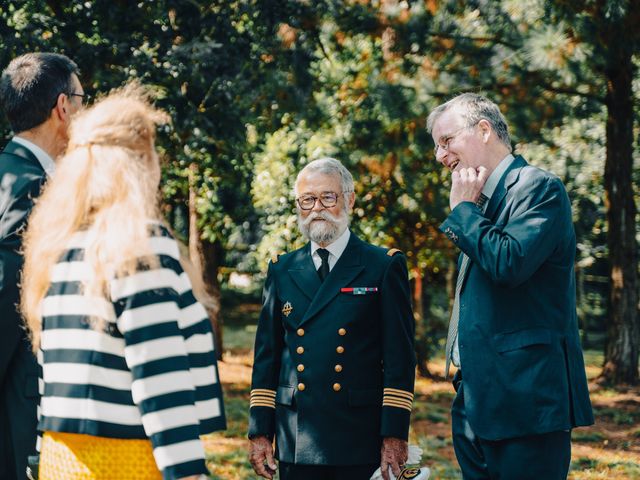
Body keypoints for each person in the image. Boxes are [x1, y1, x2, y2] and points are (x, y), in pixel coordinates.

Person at [19, 84, 226, 479]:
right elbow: (160, 380)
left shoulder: (58, 248)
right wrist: (189, 473)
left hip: (61, 462)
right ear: (141, 162)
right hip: (128, 462)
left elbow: (52, 377)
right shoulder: (138, 246)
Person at [427, 92, 594, 479]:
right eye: (437, 146)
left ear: (484, 129)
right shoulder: (478, 203)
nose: (440, 155)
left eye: (446, 141)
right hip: (475, 401)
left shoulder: (538, 188)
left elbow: (509, 263)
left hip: (527, 403)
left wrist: (463, 212)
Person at [248, 157, 416, 480]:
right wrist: (259, 431)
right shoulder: (282, 269)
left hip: (358, 435)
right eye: (307, 200)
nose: (316, 209)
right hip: (297, 435)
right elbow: (266, 358)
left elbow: (400, 358)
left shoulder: (382, 265)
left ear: (349, 199)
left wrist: (394, 433)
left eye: (328, 197)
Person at [0, 52, 83, 480]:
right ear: (63, 107)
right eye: (82, 99)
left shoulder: (11, 172)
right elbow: (9, 293)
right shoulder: (30, 189)